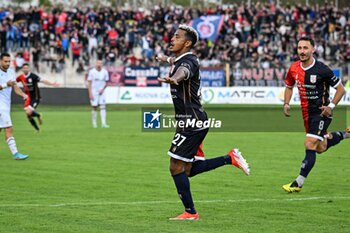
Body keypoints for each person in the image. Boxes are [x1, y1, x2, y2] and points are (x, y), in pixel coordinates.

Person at [157, 25, 250, 220]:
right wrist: (164, 59)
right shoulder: (181, 59)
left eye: (177, 37)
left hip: (192, 122)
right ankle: (230, 158)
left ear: (187, 43)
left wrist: (174, 79)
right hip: (191, 120)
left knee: (175, 167)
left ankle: (191, 213)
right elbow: (175, 62)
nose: (172, 39)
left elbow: (183, 71)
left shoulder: (189, 62)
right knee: (187, 170)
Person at [282, 37, 349, 193]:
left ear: (313, 50)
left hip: (322, 112)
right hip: (307, 114)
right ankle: (345, 135)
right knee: (320, 147)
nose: (302, 51)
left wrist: (331, 106)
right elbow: (289, 87)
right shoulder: (293, 68)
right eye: (299, 48)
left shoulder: (322, 69)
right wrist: (286, 103)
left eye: (306, 48)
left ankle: (297, 183)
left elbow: (341, 90)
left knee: (310, 143)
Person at [0, 53, 29, 160]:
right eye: (5, 61)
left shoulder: (11, 72)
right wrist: (5, 85)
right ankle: (16, 154)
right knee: (8, 128)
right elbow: (7, 85)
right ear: (0, 61)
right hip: (1, 105)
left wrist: (23, 94)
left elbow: (15, 86)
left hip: (6, 105)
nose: (7, 63)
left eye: (9, 61)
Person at [16, 63, 59, 132]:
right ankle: (37, 129)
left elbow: (43, 81)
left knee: (28, 112)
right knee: (28, 115)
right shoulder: (21, 77)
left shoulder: (33, 76)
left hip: (35, 98)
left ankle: (38, 115)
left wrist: (52, 84)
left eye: (27, 68)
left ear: (29, 69)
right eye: (24, 68)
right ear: (22, 69)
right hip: (27, 98)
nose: (26, 69)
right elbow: (14, 82)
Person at [87, 60, 110, 128]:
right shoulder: (92, 72)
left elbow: (107, 82)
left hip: (101, 92)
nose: (99, 64)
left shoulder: (105, 72)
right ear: (96, 64)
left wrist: (102, 89)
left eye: (100, 63)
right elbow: (89, 83)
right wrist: (90, 93)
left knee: (103, 106)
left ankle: (103, 123)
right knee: (94, 107)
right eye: (98, 63)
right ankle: (94, 123)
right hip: (94, 92)